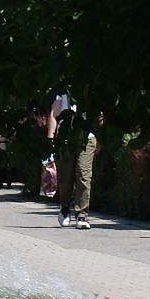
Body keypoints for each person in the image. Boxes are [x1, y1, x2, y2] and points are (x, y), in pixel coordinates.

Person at [46, 91, 98, 230]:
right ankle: (64, 209)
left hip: (87, 136)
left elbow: (101, 115)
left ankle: (82, 215)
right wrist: (50, 139)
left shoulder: (93, 87)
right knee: (66, 176)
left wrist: (101, 139)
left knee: (83, 174)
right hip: (66, 136)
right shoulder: (64, 91)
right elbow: (53, 114)